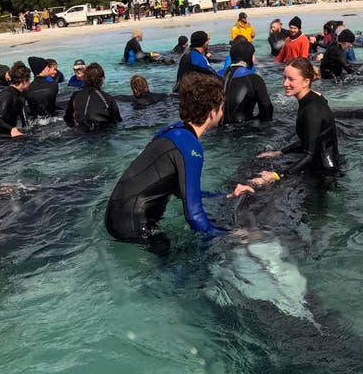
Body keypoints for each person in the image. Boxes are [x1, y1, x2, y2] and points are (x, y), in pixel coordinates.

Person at [104, 74, 256, 247]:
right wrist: (233, 235)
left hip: (116, 217)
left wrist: (227, 195)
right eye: (221, 108)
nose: (222, 113)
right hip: (133, 226)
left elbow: (180, 191)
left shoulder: (172, 131)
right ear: (212, 112)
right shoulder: (190, 146)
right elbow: (194, 216)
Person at [256, 58, 339, 180]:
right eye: (284, 78)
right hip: (321, 164)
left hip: (324, 173)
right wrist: (280, 152)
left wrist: (277, 175)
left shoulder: (312, 109)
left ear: (306, 82)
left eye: (291, 79)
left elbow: (309, 155)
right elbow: (309, 141)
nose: (285, 83)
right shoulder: (313, 98)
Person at [221, 41, 274, 123]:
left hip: (217, 127)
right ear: (248, 56)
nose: (254, 58)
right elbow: (266, 107)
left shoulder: (215, 75)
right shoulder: (254, 79)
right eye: (253, 55)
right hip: (244, 128)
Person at [65, 63, 121, 133]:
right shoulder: (108, 98)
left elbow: (68, 119)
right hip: (102, 133)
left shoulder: (75, 95)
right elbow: (117, 121)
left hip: (80, 133)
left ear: (84, 78)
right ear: (102, 79)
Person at [0, 61, 32, 137]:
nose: (30, 83)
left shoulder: (21, 95)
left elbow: (24, 119)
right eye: (29, 80)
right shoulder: (6, 94)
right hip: (1, 135)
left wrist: (29, 130)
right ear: (24, 81)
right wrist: (12, 129)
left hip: (13, 132)